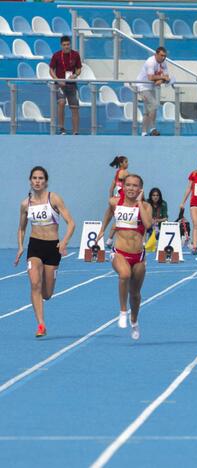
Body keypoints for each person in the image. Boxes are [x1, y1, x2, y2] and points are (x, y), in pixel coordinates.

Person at [14, 167, 76, 338]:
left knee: (47, 294)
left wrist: (63, 242)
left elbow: (71, 223)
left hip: (52, 247)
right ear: (30, 180)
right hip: (35, 246)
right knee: (34, 283)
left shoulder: (54, 198)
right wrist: (20, 247)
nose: (37, 181)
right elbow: (21, 228)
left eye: (41, 178)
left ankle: (46, 285)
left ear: (46, 181)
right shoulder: (25, 204)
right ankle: (41, 324)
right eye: (34, 178)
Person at [97, 174, 152, 340]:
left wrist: (140, 203)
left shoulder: (146, 206)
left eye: (135, 186)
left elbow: (148, 225)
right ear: (123, 187)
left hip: (138, 255)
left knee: (135, 294)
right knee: (124, 274)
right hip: (119, 251)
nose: (131, 188)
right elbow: (108, 214)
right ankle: (122, 310)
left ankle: (134, 320)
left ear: (140, 189)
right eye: (128, 185)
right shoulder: (115, 202)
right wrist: (102, 230)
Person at [136, 47, 173, 136]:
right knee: (153, 105)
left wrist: (162, 80)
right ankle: (153, 129)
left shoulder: (163, 63)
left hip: (151, 86)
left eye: (165, 56)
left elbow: (167, 77)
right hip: (142, 85)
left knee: (148, 111)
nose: (163, 57)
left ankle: (144, 132)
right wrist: (162, 78)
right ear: (156, 54)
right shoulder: (150, 62)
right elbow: (150, 77)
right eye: (161, 55)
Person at [49, 36, 82, 135]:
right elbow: (51, 70)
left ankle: (75, 131)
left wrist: (75, 75)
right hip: (60, 85)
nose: (66, 47)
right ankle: (62, 128)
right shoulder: (56, 55)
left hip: (72, 85)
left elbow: (79, 69)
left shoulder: (75, 55)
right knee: (61, 103)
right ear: (61, 45)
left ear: (70, 44)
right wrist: (58, 80)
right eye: (64, 45)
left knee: (75, 107)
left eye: (68, 44)